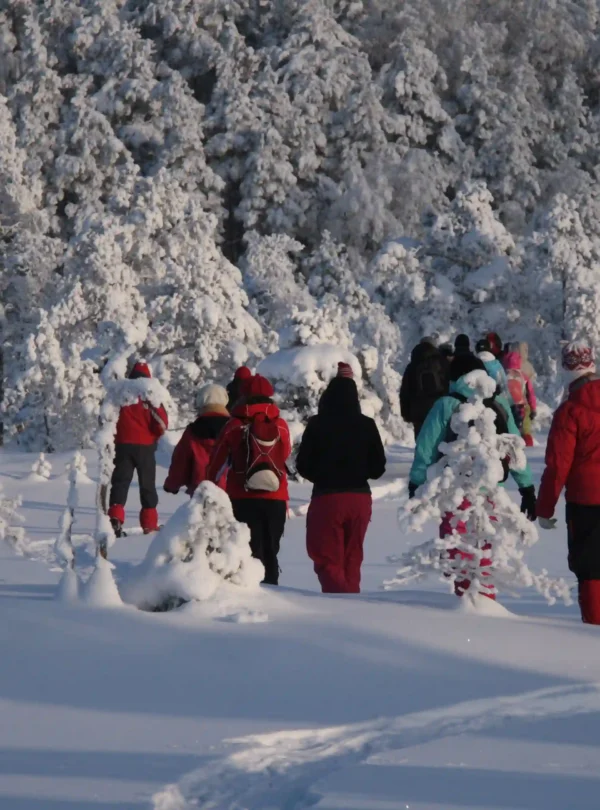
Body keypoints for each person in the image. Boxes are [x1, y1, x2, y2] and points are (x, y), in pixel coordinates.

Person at [408, 354, 536, 598]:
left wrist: (416, 484)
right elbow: (513, 446)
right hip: (490, 490)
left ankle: (467, 607)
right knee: (486, 550)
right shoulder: (497, 401)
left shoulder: (446, 404)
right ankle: (485, 603)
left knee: (459, 553)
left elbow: (426, 447)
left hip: (455, 490)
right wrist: (526, 487)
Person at [296, 363, 386, 594]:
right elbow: (378, 468)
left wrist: (324, 475)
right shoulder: (367, 424)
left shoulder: (317, 424)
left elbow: (303, 465)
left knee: (327, 558)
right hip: (359, 498)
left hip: (328, 497)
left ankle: (341, 605)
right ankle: (351, 603)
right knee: (352, 557)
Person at [537, 342, 600, 624]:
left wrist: (544, 507)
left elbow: (557, 465)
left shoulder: (570, 411)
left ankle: (594, 631)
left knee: (590, 568)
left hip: (586, 501)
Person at [207, 374, 291, 585]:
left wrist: (209, 488)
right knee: (271, 550)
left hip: (242, 496)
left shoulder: (233, 424)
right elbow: (286, 454)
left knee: (247, 550)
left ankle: (250, 593)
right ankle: (273, 590)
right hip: (276, 497)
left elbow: (216, 463)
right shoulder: (280, 425)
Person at [108, 362, 169, 537]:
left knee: (120, 482)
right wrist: (154, 433)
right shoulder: (149, 395)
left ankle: (115, 519)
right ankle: (149, 525)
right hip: (145, 447)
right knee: (147, 485)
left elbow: (108, 418)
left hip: (122, 446)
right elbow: (162, 424)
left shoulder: (121, 395)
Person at [164, 384, 230, 497]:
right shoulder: (235, 428)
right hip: (230, 491)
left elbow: (180, 461)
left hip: (200, 491)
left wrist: (172, 485)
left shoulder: (193, 431)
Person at [400, 340, 449, 437]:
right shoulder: (442, 363)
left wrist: (406, 413)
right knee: (440, 440)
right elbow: (448, 384)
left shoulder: (411, 367)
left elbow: (405, 392)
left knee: (421, 441)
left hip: (418, 410)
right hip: (439, 407)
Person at [502, 344, 536, 447]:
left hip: (507, 406)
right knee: (525, 430)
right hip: (523, 407)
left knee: (509, 429)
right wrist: (533, 408)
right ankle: (529, 447)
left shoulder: (503, 375)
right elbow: (530, 393)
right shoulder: (523, 376)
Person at [476, 338, 512, 402]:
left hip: (478, 401)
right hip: (497, 400)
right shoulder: (497, 364)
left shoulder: (474, 363)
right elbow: (504, 384)